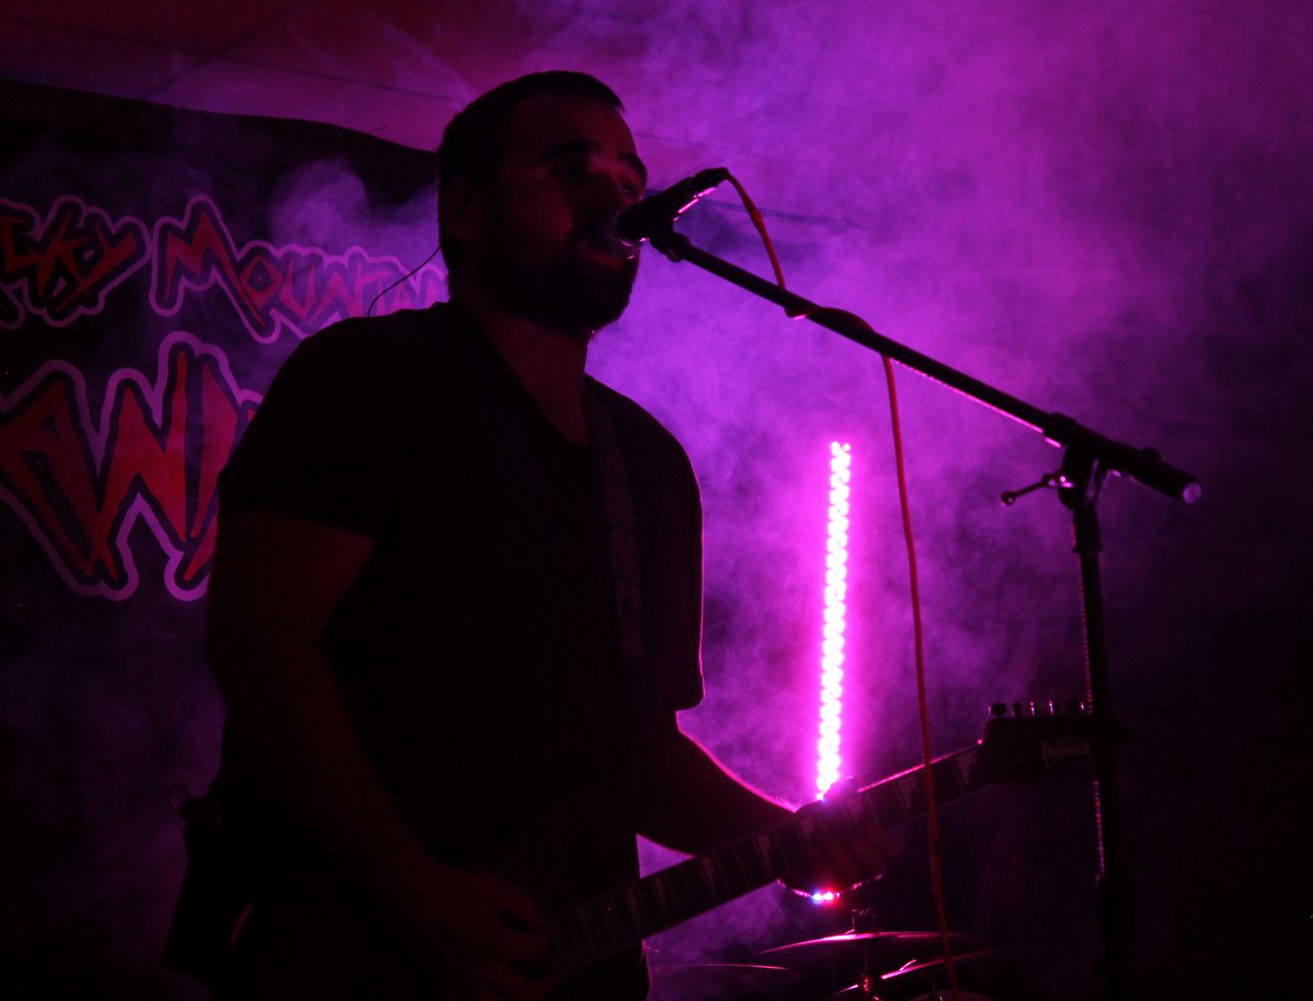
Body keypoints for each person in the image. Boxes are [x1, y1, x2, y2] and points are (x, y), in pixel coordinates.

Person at [165, 71, 895, 1000]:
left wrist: (788, 835)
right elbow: (261, 647)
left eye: (629, 180)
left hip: (575, 968)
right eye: (570, 170)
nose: (613, 197)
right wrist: (414, 892)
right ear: (465, 209)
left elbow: (638, 754)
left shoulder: (645, 462)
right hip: (350, 953)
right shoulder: (368, 383)